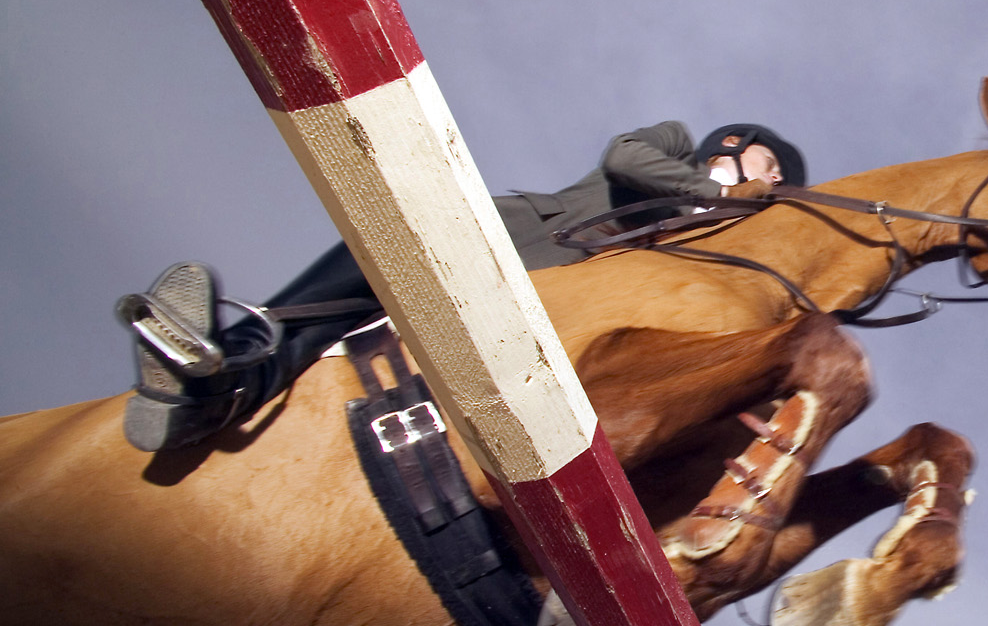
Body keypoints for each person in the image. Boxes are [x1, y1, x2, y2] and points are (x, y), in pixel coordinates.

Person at [118, 122, 806, 452]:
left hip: (565, 328)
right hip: (513, 248)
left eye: (778, 178)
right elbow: (622, 157)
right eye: (769, 164)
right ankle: (232, 371)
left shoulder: (719, 249)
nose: (773, 180)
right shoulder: (678, 147)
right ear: (731, 146)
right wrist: (709, 196)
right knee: (380, 250)